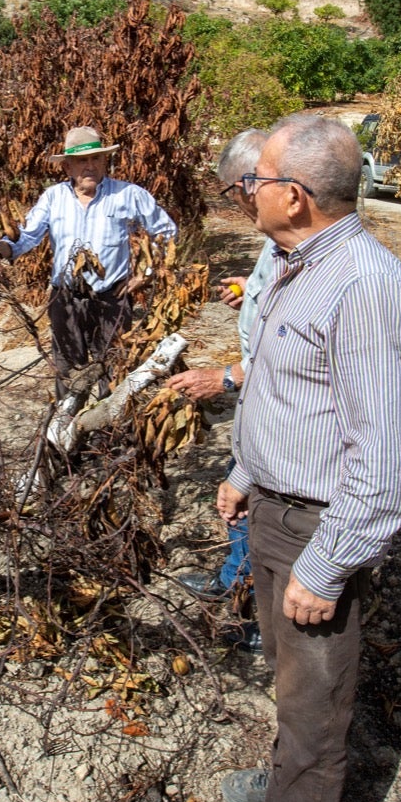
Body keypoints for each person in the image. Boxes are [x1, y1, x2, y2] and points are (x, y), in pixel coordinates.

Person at [214, 112, 401, 802]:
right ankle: (289, 774)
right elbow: (278, 387)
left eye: (257, 181)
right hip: (274, 507)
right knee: (287, 669)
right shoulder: (295, 262)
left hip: (317, 526)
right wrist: (242, 473)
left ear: (294, 196)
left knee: (316, 699)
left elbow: (378, 470)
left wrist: (325, 566)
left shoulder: (364, 287)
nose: (247, 193)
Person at [168, 130, 275, 608]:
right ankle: (237, 584)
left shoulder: (308, 252)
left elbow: (292, 356)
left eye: (235, 193)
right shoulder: (278, 244)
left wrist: (225, 377)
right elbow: (278, 311)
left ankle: (249, 608)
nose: (237, 206)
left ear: (256, 182)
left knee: (255, 505)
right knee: (245, 499)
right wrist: (250, 292)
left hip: (279, 410)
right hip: (263, 405)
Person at [0, 125, 177, 391]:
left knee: (113, 370)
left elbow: (166, 232)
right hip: (65, 299)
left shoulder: (129, 195)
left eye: (96, 159)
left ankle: (109, 431)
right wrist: (2, 248)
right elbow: (27, 236)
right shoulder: (53, 197)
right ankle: (65, 428)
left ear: (105, 161)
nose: (90, 166)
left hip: (111, 298)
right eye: (82, 161)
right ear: (68, 167)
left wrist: (146, 274)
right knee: (67, 372)